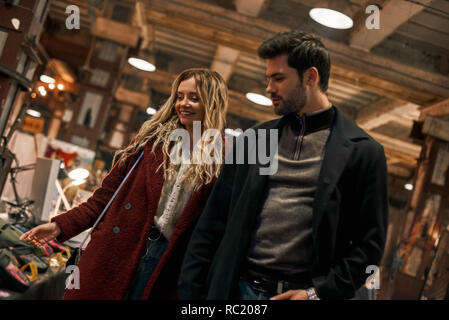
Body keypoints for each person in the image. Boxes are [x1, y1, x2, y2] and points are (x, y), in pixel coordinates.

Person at [178, 31, 389, 300]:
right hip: (238, 290)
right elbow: (212, 224)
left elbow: (369, 247)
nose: (269, 88)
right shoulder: (256, 139)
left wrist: (316, 294)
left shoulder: (363, 152)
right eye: (268, 78)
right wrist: (191, 295)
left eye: (278, 78)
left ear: (310, 77)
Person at [20, 68, 228, 300]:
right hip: (116, 249)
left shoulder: (221, 161)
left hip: (166, 265)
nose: (183, 103)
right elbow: (104, 198)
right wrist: (59, 226)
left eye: (194, 98)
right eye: (179, 96)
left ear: (212, 102)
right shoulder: (150, 141)